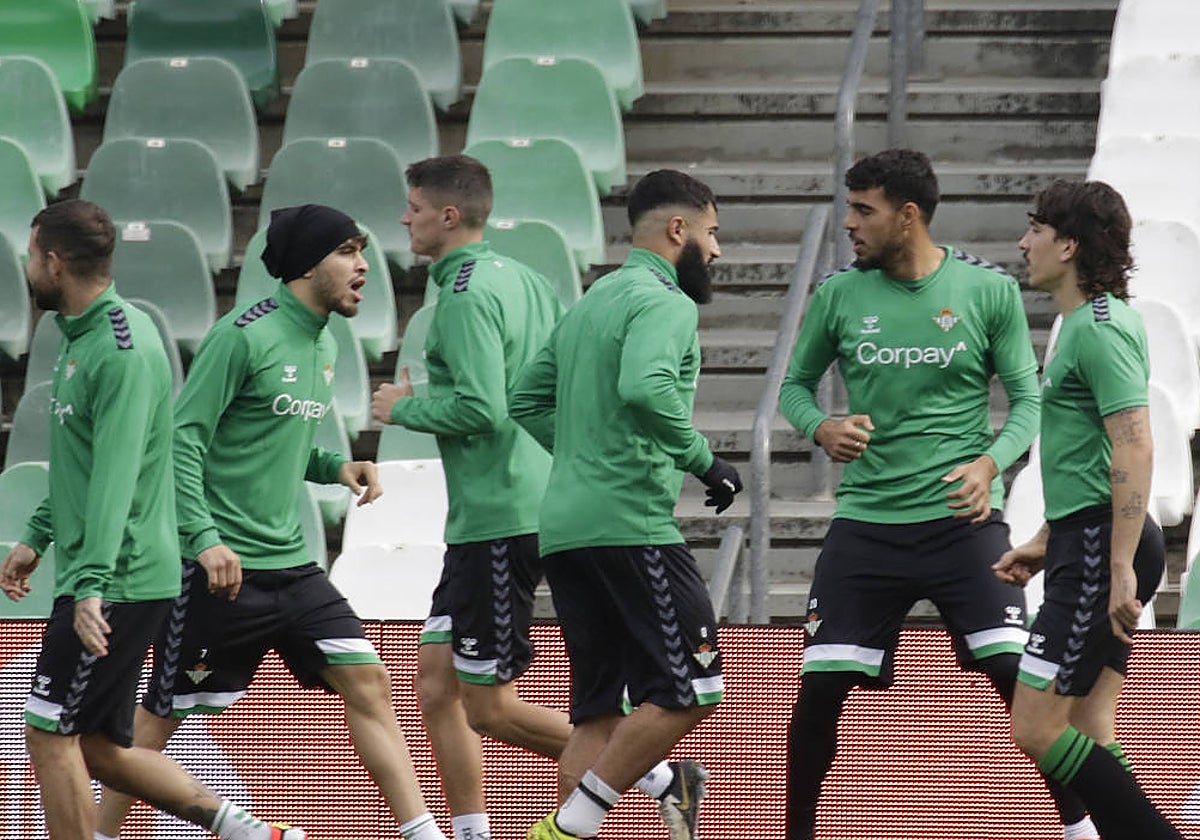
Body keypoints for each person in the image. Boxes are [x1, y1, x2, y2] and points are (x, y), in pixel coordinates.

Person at [371, 155, 710, 840]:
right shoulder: (525, 279)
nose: (403, 218)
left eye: (411, 205)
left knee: (488, 706)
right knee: (437, 684)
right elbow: (545, 388)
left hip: (502, 513)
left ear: (448, 213)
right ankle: (477, 827)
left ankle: (653, 776)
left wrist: (404, 409)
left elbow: (488, 407)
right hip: (528, 506)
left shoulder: (464, 295)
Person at [93, 204, 450, 840]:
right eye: (348, 251)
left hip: (293, 567)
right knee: (151, 730)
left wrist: (336, 465)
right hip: (220, 575)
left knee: (368, 681)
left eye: (362, 250)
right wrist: (205, 540)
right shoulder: (242, 335)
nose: (364, 265)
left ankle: (424, 834)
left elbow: (275, 440)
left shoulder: (326, 339)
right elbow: (183, 442)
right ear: (309, 264)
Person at [778, 149, 1097, 840]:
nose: (849, 224)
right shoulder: (838, 294)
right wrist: (821, 425)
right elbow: (794, 388)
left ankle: (1082, 827)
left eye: (864, 210)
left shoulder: (987, 291)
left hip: (963, 523)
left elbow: (1028, 404)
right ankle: (796, 832)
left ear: (908, 215)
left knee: (1017, 674)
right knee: (818, 691)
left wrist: (989, 463)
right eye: (850, 207)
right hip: (866, 523)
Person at [0, 200, 303, 840]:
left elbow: (115, 478)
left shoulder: (122, 349)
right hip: (109, 574)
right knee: (104, 749)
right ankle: (253, 833)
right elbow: (82, 465)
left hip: (118, 579)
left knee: (50, 734)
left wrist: (89, 587)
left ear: (53, 261)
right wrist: (38, 534)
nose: (27, 269)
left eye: (31, 256)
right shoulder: (82, 339)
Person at [509, 169, 740, 840]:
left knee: (597, 715)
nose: (718, 251)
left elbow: (525, 399)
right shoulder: (665, 301)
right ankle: (568, 827)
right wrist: (704, 461)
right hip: (629, 524)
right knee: (695, 687)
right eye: (713, 232)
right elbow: (644, 386)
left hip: (566, 529)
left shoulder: (592, 300)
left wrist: (585, 448)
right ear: (679, 231)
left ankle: (563, 833)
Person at [994, 179, 1183, 838]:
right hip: (1090, 537)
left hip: (1106, 547)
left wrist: (1119, 566)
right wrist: (1047, 537)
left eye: (1036, 230)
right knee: (1089, 727)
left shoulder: (1099, 329)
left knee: (1035, 728)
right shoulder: (1077, 325)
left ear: (1069, 245)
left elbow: (1134, 446)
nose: (1024, 244)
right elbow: (1084, 462)